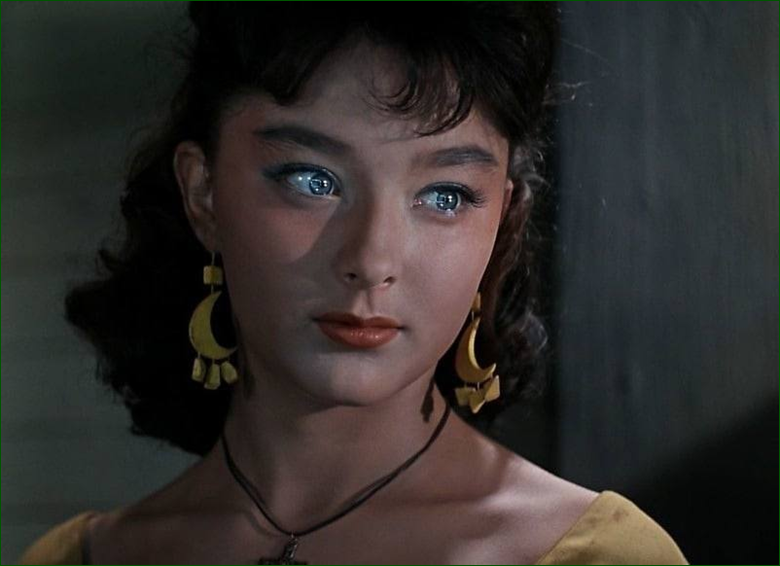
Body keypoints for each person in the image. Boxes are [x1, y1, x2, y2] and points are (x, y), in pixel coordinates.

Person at [20, 3, 687, 564]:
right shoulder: (80, 556)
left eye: (446, 195)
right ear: (203, 194)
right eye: (313, 180)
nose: (371, 260)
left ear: (502, 222)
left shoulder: (600, 557)